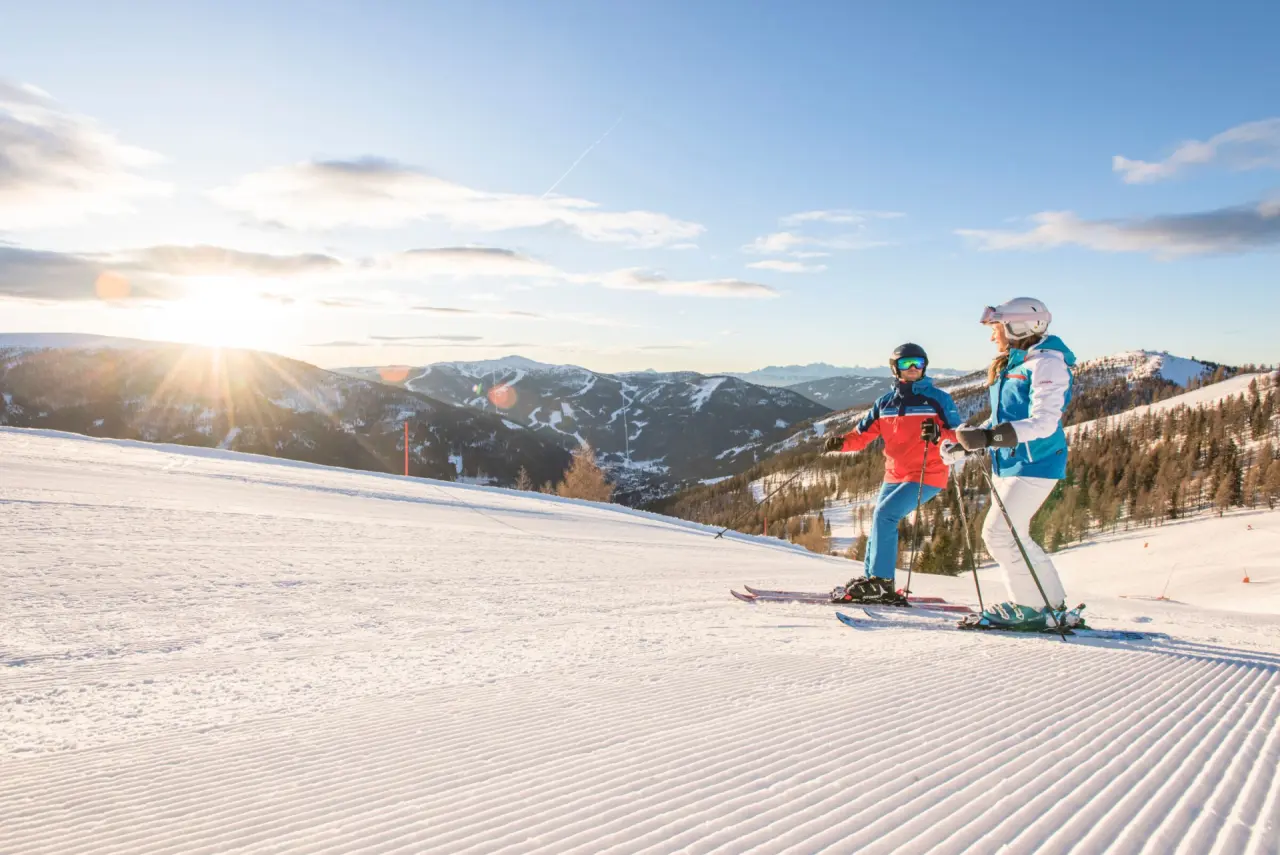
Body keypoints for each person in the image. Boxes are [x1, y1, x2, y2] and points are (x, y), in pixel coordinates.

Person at [948, 297, 1083, 630]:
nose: (993, 336)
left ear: (1018, 326)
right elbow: (1001, 418)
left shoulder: (1047, 363)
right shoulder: (1015, 363)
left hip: (1036, 462)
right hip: (1009, 463)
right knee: (1015, 535)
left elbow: (1044, 423)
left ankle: (1030, 607)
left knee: (998, 535)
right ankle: (1050, 604)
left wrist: (989, 438)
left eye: (996, 328)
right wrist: (969, 443)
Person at [823, 343, 963, 604]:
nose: (912, 369)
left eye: (918, 364)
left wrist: (939, 434)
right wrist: (841, 443)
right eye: (906, 364)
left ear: (925, 367)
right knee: (879, 520)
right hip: (894, 474)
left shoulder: (938, 399)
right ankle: (872, 578)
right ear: (894, 368)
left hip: (927, 472)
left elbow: (960, 433)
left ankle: (882, 583)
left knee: (886, 515)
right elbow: (862, 436)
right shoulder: (885, 403)